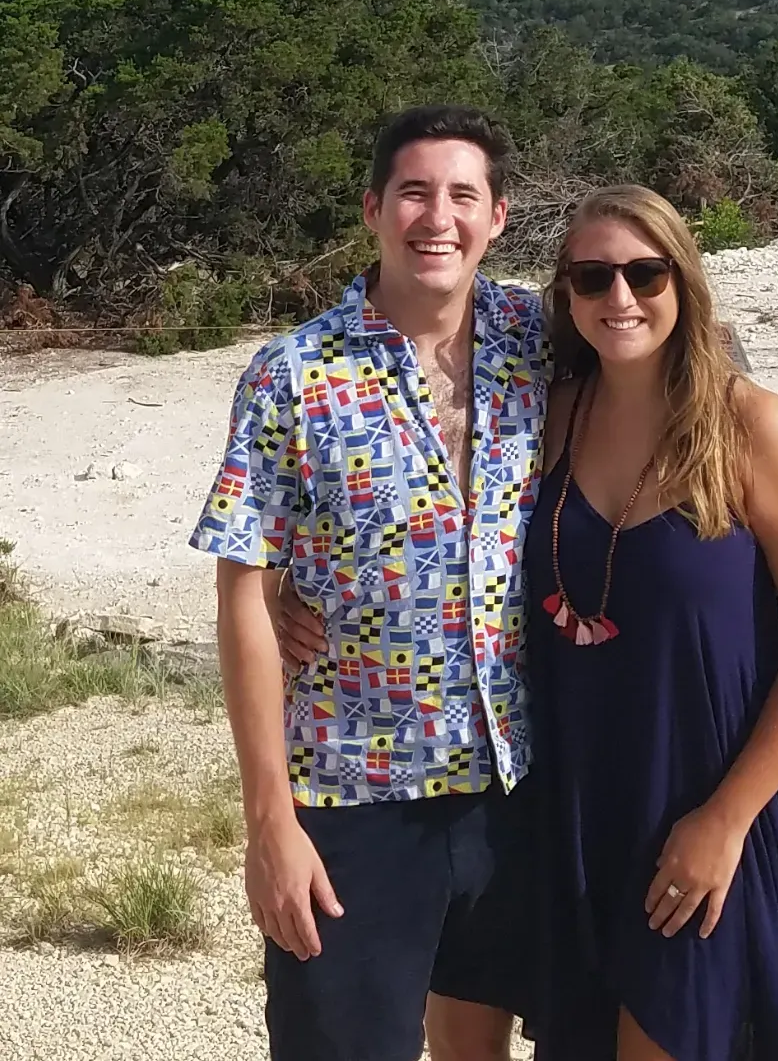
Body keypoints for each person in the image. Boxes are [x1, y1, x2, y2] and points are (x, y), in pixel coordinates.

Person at [189, 105, 548, 1061]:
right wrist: (270, 824)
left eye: (463, 195)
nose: (438, 218)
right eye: (414, 193)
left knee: (484, 1047)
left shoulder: (541, 340)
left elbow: (679, 371)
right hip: (352, 797)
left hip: (515, 786)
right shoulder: (294, 373)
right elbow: (241, 590)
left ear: (498, 216)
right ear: (373, 209)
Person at [527, 184, 778, 1061]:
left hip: (708, 800)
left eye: (645, 274)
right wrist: (293, 595)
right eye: (592, 277)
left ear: (683, 282)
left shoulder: (750, 427)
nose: (619, 297)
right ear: (567, 292)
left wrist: (726, 820)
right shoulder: (550, 417)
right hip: (579, 803)